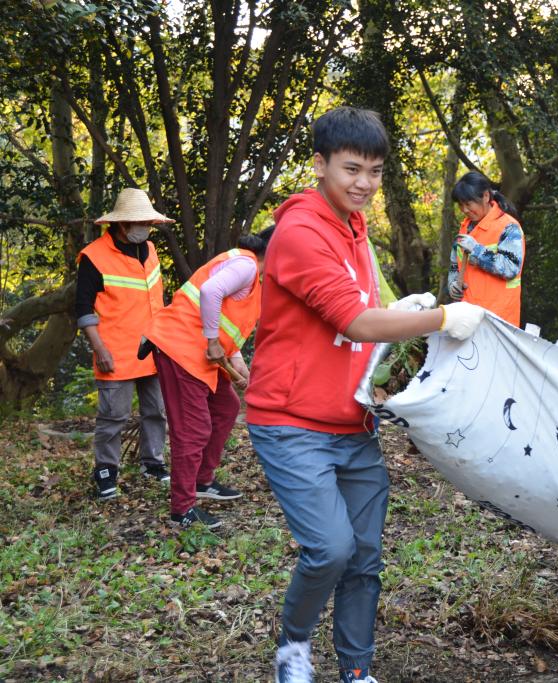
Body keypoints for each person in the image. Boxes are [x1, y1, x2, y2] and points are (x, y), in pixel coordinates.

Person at [244, 106, 486, 683]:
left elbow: (362, 327)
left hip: (352, 421)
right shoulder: (302, 232)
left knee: (365, 557)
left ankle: (356, 670)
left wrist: (405, 317)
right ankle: (293, 650)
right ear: (320, 163)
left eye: (375, 172)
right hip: (290, 421)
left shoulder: (354, 228)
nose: (364, 184)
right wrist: (442, 316)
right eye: (352, 169)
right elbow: (354, 322)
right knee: (330, 548)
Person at [142, 227, 275, 530]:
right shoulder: (246, 264)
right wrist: (213, 340)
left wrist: (240, 367)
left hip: (201, 354)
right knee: (193, 429)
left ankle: (202, 480)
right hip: (181, 348)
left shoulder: (253, 274)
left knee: (226, 407)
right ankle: (182, 509)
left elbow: (230, 328)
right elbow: (210, 292)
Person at [75, 188, 171, 500]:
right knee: (113, 416)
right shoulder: (94, 256)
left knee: (157, 410)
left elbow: (156, 299)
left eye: (148, 222)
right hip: (115, 351)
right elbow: (83, 309)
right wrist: (99, 348)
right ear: (121, 224)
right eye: (140, 221)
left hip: (154, 348)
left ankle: (152, 463)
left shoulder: (150, 249)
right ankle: (105, 472)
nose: (146, 227)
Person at [447, 171, 525, 327]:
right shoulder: (464, 227)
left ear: (486, 196)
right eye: (461, 205)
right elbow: (455, 264)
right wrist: (452, 284)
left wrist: (477, 250)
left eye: (468, 204)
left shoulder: (508, 227)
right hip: (468, 318)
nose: (465, 210)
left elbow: (510, 268)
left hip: (498, 320)